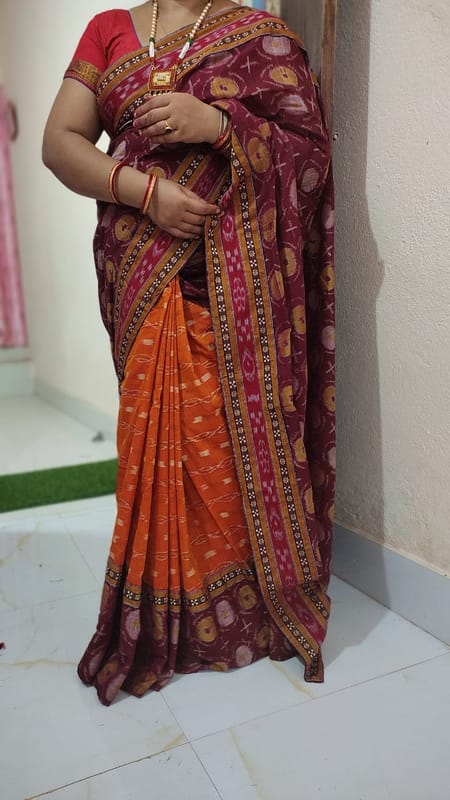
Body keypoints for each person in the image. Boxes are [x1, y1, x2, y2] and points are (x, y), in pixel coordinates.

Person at [43, 0, 335, 707]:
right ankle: (163, 610)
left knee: (225, 439)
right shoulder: (110, 29)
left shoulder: (262, 38)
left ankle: (244, 608)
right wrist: (145, 193)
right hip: (142, 269)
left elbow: (309, 155)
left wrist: (219, 126)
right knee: (161, 436)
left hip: (237, 287)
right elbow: (60, 142)